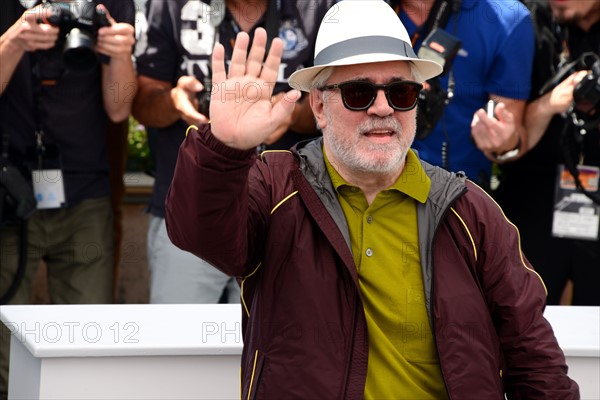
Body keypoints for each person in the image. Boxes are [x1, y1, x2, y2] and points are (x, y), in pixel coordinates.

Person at [164, 1, 579, 398]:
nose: (382, 108)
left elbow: (534, 358)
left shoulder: (470, 211)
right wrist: (225, 148)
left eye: (401, 92)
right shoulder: (274, 188)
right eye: (358, 93)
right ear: (319, 106)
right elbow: (200, 233)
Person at [132, 0, 334, 304]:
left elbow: (345, 100)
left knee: (285, 344)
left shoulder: (321, 7)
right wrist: (174, 101)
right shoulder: (169, 5)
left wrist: (291, 112)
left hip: (292, 214)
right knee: (181, 343)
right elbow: (142, 103)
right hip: (190, 214)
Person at [0, 0, 136, 397]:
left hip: (84, 194)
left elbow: (119, 107)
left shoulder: (110, 4)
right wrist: (13, 41)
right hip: (10, 198)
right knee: (5, 352)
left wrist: (120, 56)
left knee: (89, 345)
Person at [495, 0, 600, 306]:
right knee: (524, 310)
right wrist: (554, 100)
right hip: (534, 190)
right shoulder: (524, 22)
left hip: (593, 193)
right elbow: (512, 131)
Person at [385, 0, 534, 190]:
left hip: (452, 199)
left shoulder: (508, 18)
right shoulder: (349, 7)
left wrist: (503, 142)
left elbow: (512, 130)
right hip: (358, 190)